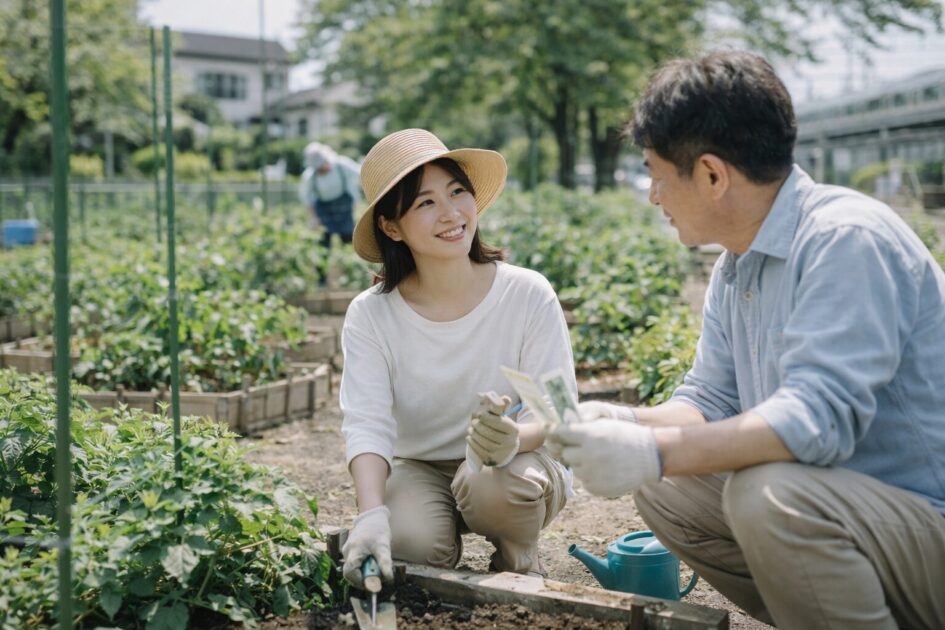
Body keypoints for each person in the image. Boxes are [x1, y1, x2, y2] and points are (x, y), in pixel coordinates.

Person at [547, 51, 945, 629]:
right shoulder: (739, 267)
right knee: (668, 490)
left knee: (768, 495)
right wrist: (618, 423)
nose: (653, 196)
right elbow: (709, 402)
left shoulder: (845, 241)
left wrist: (652, 452)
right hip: (861, 517)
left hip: (926, 519)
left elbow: (817, 421)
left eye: (657, 176)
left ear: (712, 175)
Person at [338, 128, 575, 589]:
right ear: (391, 226)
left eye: (457, 192)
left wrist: (511, 439)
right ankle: (436, 550)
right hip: (419, 465)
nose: (451, 214)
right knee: (409, 543)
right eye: (425, 203)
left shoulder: (526, 293)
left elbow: (559, 409)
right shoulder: (371, 315)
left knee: (495, 484)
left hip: (509, 463)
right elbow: (366, 421)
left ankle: (518, 559)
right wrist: (370, 516)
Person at [298, 142, 362, 286]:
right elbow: (306, 199)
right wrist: (314, 218)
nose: (321, 169)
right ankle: (322, 280)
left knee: (349, 242)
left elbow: (361, 173)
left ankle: (352, 276)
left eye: (322, 165)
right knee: (323, 246)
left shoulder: (341, 165)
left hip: (344, 209)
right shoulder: (309, 177)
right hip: (323, 211)